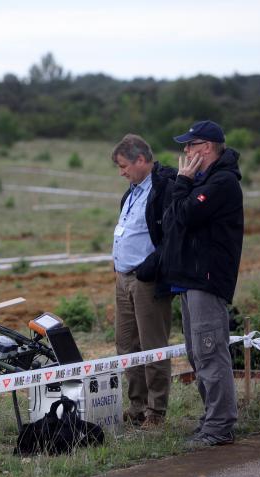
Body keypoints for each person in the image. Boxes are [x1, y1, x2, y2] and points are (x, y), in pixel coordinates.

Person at [161, 120, 244, 447]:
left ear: (206, 147)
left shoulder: (222, 183)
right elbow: (171, 219)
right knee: (198, 354)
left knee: (210, 352)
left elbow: (185, 216)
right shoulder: (202, 181)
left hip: (206, 279)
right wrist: (184, 185)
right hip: (189, 277)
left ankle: (220, 427)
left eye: (190, 145)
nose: (185, 151)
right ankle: (212, 420)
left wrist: (182, 182)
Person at [111, 134, 176, 429]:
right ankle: (137, 406)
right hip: (123, 280)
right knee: (126, 346)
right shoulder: (132, 191)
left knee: (153, 346)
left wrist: (153, 267)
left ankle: (156, 411)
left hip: (147, 280)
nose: (121, 172)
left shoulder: (163, 189)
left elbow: (173, 236)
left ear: (140, 160)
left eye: (124, 165)